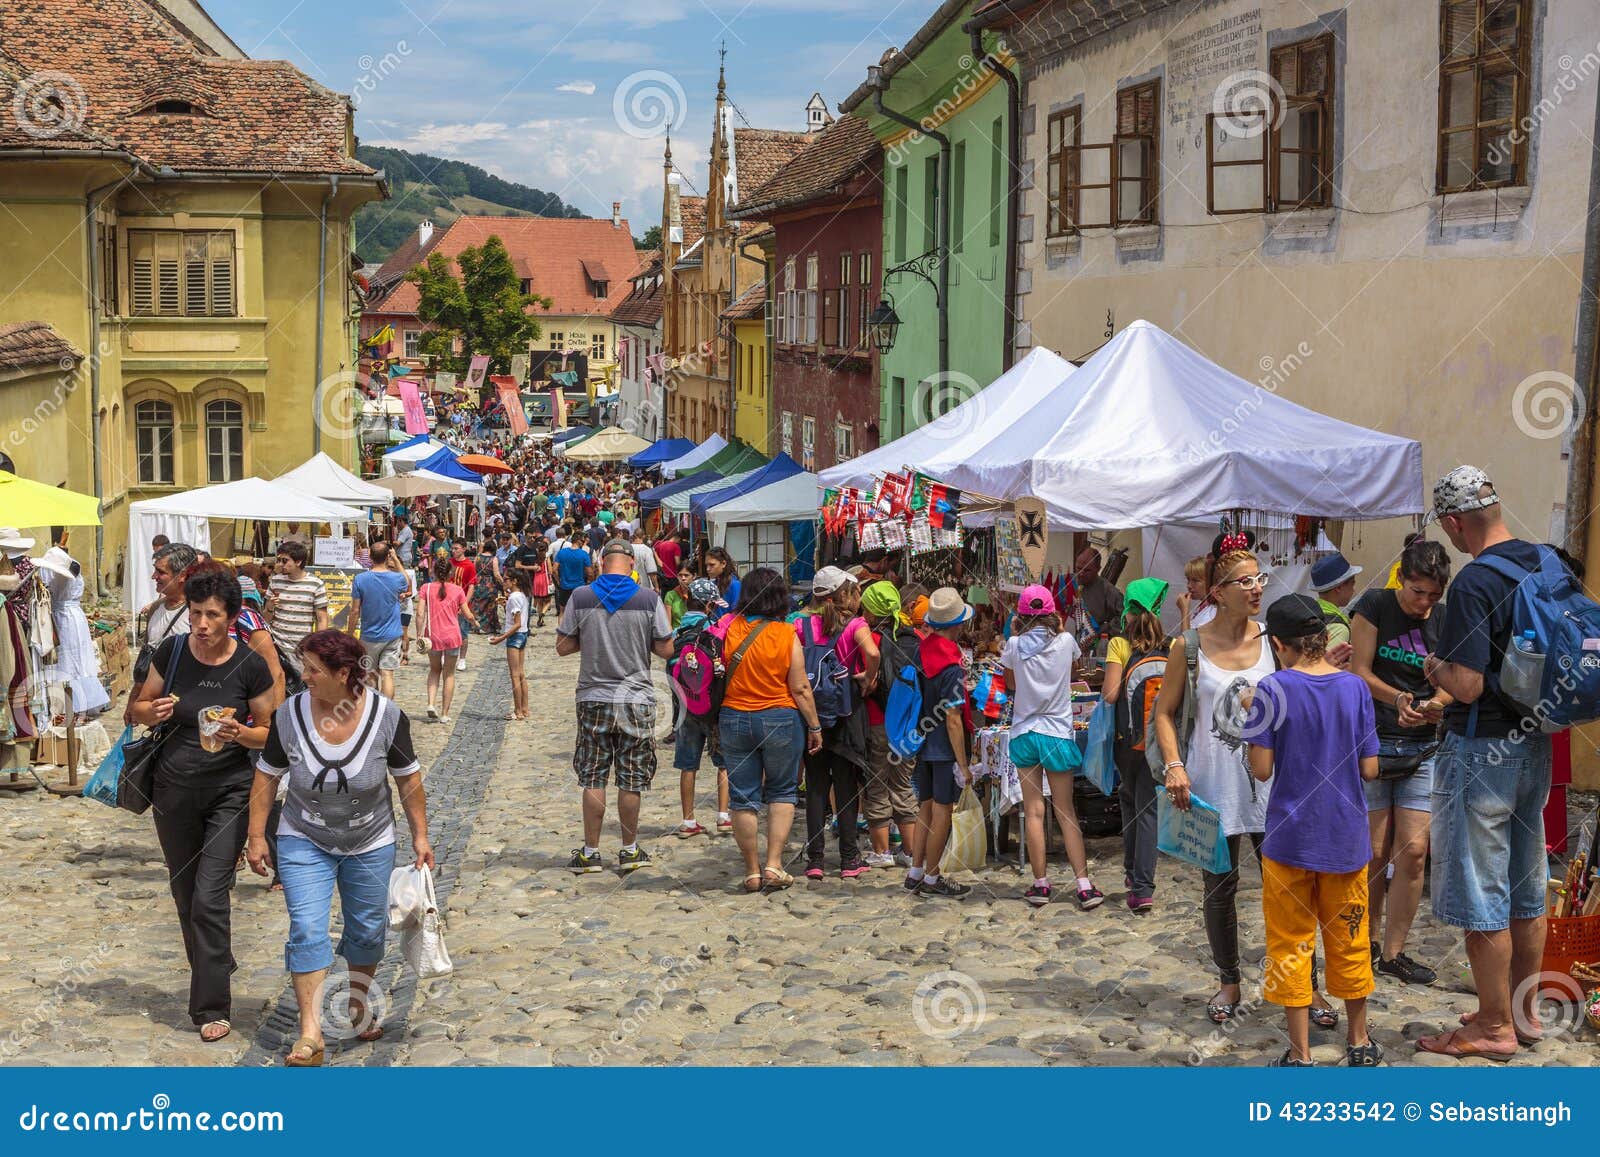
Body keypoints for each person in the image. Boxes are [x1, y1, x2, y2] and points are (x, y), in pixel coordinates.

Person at [1154, 544, 1337, 1027]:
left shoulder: (1274, 641)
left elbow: (1303, 695)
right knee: (1219, 887)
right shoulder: (1187, 647)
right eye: (1246, 581)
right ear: (1218, 592)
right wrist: (1174, 764)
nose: (1258, 588)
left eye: (1260, 579)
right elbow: (1164, 713)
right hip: (1211, 784)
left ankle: (1307, 986)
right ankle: (1229, 980)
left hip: (1276, 785)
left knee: (1292, 888)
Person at [1417, 466, 1554, 1060]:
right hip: (1535, 744)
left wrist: (1433, 669)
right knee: (1526, 887)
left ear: (1452, 522)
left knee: (1482, 891)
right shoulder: (1546, 562)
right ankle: (1522, 1013)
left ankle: (1493, 1028)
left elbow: (1467, 686)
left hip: (1481, 752)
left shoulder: (1474, 583)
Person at [246, 630, 430, 1066]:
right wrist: (256, 835)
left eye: (313, 670)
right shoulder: (289, 714)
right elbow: (268, 775)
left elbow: (408, 778)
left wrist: (420, 835)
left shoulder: (387, 716)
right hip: (303, 835)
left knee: (365, 929)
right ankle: (311, 1033)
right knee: (307, 929)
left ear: (343, 673)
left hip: (370, 839)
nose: (304, 677)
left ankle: (358, 1002)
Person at [130, 567, 276, 1043]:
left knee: (210, 896)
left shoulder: (249, 665)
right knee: (185, 894)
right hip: (172, 792)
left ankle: (212, 1004)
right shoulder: (172, 652)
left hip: (230, 792)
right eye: (196, 613)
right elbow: (138, 706)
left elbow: (272, 736)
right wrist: (150, 711)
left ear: (232, 617)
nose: (202, 623)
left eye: (212, 615)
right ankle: (216, 961)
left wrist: (240, 732)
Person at [1244, 593, 1383, 1067]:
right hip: (1345, 837)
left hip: (1289, 838)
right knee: (1350, 938)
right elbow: (1370, 769)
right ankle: (1360, 1041)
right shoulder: (1354, 689)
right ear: (1323, 639)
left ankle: (1300, 1052)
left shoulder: (1272, 690)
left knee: (1290, 943)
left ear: (1280, 644)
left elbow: (1261, 769)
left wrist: (1253, 718)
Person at [1349, 538, 1450, 987]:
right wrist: (1401, 698)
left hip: (1424, 747)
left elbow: (1459, 680)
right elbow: (1360, 672)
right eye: (1416, 592)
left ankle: (1394, 952)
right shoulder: (1374, 604)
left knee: (1412, 853)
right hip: (1372, 741)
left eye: (1433, 594)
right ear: (1401, 579)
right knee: (1371, 852)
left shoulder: (1447, 620)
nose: (1424, 603)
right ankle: (1366, 942)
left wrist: (1437, 703)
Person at [557, 540, 674, 874]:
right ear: (632, 564)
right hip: (636, 699)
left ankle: (591, 852)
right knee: (631, 778)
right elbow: (666, 650)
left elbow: (562, 646)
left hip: (593, 697)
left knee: (593, 775)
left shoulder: (581, 597)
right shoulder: (649, 599)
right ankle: (629, 849)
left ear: (602, 562)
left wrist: (588, 638)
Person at [718, 568, 824, 893]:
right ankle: (774, 865)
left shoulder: (731, 628)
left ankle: (751, 870)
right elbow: (801, 687)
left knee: (742, 797)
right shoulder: (786, 633)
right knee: (781, 791)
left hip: (735, 717)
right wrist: (815, 725)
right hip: (780, 717)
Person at [1000, 584, 1099, 908]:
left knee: (1033, 810)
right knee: (1065, 810)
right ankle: (1083, 886)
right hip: (1057, 731)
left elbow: (1011, 685)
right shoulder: (1066, 641)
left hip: (1025, 731)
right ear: (1051, 614)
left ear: (1022, 615)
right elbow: (1072, 677)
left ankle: (1040, 884)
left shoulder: (1013, 645)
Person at [799, 567, 876, 880]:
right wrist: (869, 678)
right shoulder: (856, 625)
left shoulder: (802, 625)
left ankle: (815, 859)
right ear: (844, 594)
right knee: (846, 787)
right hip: (846, 714)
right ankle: (848, 858)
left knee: (816, 787)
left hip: (812, 714)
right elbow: (872, 652)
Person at [1100, 577, 1170, 913]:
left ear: (1127, 609)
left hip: (1126, 741)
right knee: (1145, 806)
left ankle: (1140, 885)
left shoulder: (1119, 644)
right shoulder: (1171, 646)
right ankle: (1137, 877)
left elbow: (1111, 694)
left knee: (1130, 801)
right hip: (1159, 740)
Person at [904, 588, 978, 899]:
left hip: (923, 741)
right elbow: (952, 718)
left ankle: (916, 871)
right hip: (944, 748)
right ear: (958, 625)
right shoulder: (951, 663)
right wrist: (963, 764)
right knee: (942, 812)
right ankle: (933, 877)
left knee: (926, 807)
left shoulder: (922, 651)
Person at [859, 581, 921, 869]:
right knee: (904, 785)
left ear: (871, 611)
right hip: (909, 724)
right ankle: (910, 852)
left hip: (877, 721)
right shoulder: (915, 636)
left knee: (877, 785)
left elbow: (866, 682)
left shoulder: (868, 639)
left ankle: (882, 852)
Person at [671, 578, 732, 837]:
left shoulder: (678, 632)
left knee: (688, 765)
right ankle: (723, 816)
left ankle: (687, 821)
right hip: (713, 706)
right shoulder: (715, 629)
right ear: (708, 604)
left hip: (686, 705)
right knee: (723, 763)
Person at [36, 545, 112, 717]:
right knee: (76, 657)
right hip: (74, 615)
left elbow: (53, 593)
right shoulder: (72, 567)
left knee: (68, 659)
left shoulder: (62, 573)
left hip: (64, 617)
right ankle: (76, 700)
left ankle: (74, 702)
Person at [128, 542, 198, 724]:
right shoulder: (156, 608)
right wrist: (134, 700)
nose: (154, 576)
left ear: (182, 575)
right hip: (158, 711)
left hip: (186, 712)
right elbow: (147, 659)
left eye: (161, 572)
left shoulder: (197, 613)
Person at [418, 557, 479, 723]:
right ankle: (445, 714)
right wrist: (475, 622)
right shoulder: (458, 590)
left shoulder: (426, 588)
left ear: (434, 571)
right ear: (450, 573)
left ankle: (431, 704)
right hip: (452, 637)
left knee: (434, 670)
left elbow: (420, 613)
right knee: (449, 674)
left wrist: (419, 635)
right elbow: (467, 614)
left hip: (432, 637)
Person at [349, 541, 410, 700]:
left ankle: (372, 708)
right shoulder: (396, 578)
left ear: (370, 556)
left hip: (369, 635)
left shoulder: (360, 579)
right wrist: (396, 559)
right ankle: (387, 710)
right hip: (392, 634)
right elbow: (407, 581)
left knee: (370, 675)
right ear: (387, 556)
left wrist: (349, 634)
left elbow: (355, 611)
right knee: (387, 675)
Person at [268, 541, 329, 677]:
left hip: (301, 648)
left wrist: (319, 647)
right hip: (276, 647)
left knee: (299, 689)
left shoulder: (315, 584)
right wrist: (270, 607)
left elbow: (322, 619)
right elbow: (265, 617)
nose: (280, 564)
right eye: (279, 560)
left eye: (285, 560)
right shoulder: (275, 581)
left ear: (298, 562)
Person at [489, 570, 531, 721]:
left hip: (515, 636)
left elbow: (517, 623)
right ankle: (525, 709)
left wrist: (501, 638)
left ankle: (518, 711)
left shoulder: (513, 597)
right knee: (520, 673)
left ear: (514, 581)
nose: (504, 581)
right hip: (524, 635)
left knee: (514, 675)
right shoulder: (522, 595)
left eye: (506, 579)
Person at [1310, 551, 1362, 666]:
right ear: (1338, 588)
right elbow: (1323, 670)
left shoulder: (1309, 610)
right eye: (1352, 584)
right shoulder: (1339, 628)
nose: (1353, 589)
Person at [1073, 546, 1124, 638]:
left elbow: (1124, 617)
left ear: (1098, 569)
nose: (1081, 573)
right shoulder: (1065, 583)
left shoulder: (1109, 591)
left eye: (1087, 570)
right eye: (1078, 568)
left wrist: (1104, 630)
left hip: (1094, 643)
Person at [449, 540, 480, 672]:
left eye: (456, 548)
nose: (453, 550)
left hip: (462, 603)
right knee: (448, 631)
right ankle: (448, 654)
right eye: (453, 548)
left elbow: (471, 586)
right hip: (449, 603)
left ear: (464, 549)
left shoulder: (469, 565)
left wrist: (464, 604)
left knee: (463, 632)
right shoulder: (449, 562)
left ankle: (462, 659)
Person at [554, 529, 595, 613]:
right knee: (579, 611)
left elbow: (554, 570)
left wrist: (558, 581)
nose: (584, 543)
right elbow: (590, 573)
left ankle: (562, 626)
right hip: (579, 587)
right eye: (583, 541)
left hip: (564, 586)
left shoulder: (561, 552)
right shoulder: (584, 554)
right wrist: (589, 583)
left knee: (562, 611)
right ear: (578, 540)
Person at [704, 548, 741, 622]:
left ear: (723, 564)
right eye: (706, 565)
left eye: (712, 565)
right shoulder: (713, 583)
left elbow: (736, 614)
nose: (708, 569)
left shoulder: (735, 585)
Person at [1176, 556, 1211, 631]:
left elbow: (1187, 642)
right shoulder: (1202, 607)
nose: (1189, 586)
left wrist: (1184, 610)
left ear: (1209, 581)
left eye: (1195, 581)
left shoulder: (1213, 612)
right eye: (1188, 580)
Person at [620, 524, 659, 590]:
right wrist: (656, 587)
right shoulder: (646, 550)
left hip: (627, 586)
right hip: (643, 587)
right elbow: (652, 572)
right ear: (643, 536)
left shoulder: (625, 548)